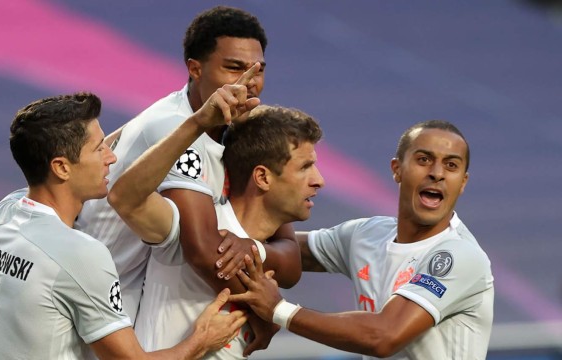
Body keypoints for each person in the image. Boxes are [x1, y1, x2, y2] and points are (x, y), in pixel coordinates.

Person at [75, 5, 299, 353]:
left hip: (146, 298)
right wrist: (264, 313)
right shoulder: (172, 127)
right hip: (106, 308)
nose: (249, 81)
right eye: (234, 67)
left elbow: (288, 251)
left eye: (258, 69)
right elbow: (205, 253)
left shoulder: (237, 125)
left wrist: (258, 253)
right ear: (195, 69)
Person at [0, 92, 246, 360]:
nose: (112, 157)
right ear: (61, 167)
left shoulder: (2, 215)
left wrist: (193, 118)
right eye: (98, 149)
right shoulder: (79, 255)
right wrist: (202, 340)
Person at [229, 120, 495, 359]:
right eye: (424, 160)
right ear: (397, 169)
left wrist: (277, 310)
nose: (437, 173)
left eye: (451, 165)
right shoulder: (368, 235)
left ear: (462, 182)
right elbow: (283, 252)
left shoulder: (459, 256)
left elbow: (383, 337)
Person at [109, 103, 324, 359]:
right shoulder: (191, 230)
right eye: (304, 167)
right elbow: (125, 198)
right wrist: (195, 124)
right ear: (263, 178)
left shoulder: (270, 247)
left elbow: (292, 268)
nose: (319, 180)